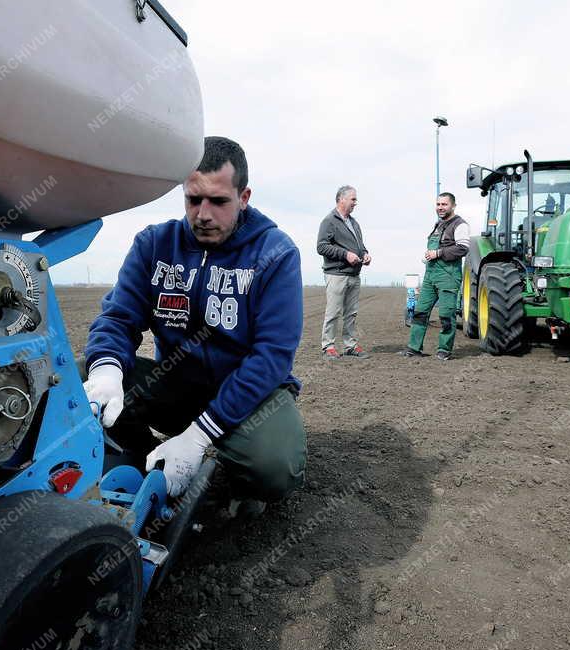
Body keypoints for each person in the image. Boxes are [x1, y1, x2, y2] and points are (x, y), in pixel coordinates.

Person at [84, 136, 306, 505]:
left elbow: (272, 355)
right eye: (193, 199)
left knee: (276, 466)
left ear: (244, 197)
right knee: (81, 386)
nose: (203, 214)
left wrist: (199, 437)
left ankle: (231, 470)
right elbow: (118, 318)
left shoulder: (275, 253)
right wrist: (106, 371)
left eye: (218, 201)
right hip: (177, 383)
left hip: (247, 395)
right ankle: (143, 463)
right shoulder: (154, 244)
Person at [403, 192, 469, 360]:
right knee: (420, 312)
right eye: (438, 204)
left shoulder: (460, 225)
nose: (440, 207)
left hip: (448, 276)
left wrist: (438, 253)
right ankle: (414, 347)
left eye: (444, 204)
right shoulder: (438, 225)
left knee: (446, 315)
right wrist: (428, 256)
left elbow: (463, 248)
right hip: (430, 275)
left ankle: (444, 350)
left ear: (453, 206)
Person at [316, 185, 371, 359]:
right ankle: (328, 347)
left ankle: (350, 345)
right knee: (333, 312)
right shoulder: (329, 221)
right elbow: (322, 246)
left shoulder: (353, 222)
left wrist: (365, 254)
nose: (356, 202)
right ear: (341, 199)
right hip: (337, 274)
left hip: (354, 275)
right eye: (353, 199)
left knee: (351, 313)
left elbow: (359, 246)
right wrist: (345, 254)